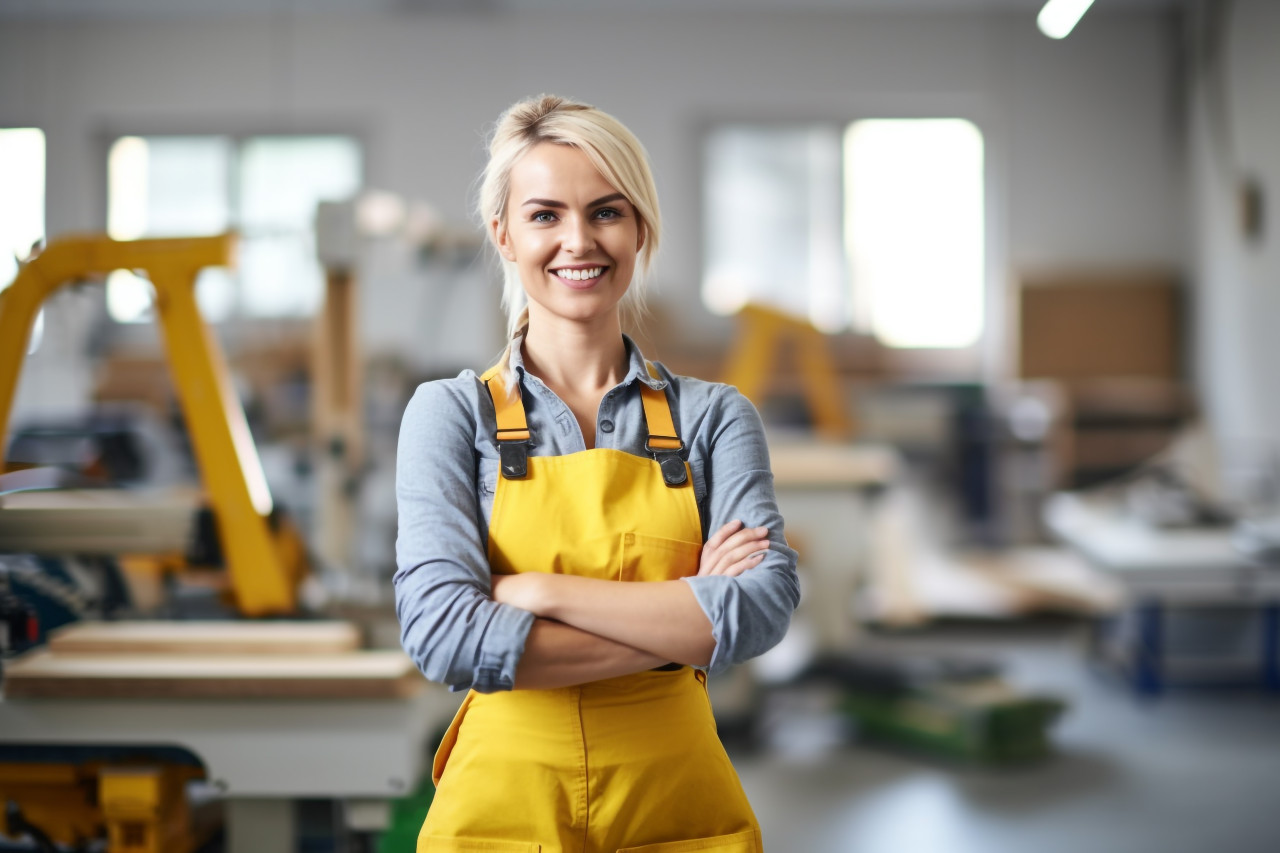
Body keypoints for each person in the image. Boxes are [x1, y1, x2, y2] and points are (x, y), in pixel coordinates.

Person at [395, 94, 800, 853]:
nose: (578, 240)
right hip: (502, 811)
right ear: (503, 233)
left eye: (606, 211)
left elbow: (762, 608)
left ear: (641, 229)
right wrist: (689, 622)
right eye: (545, 214)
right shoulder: (451, 415)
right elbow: (445, 635)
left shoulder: (714, 418)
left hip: (676, 808)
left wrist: (538, 594)